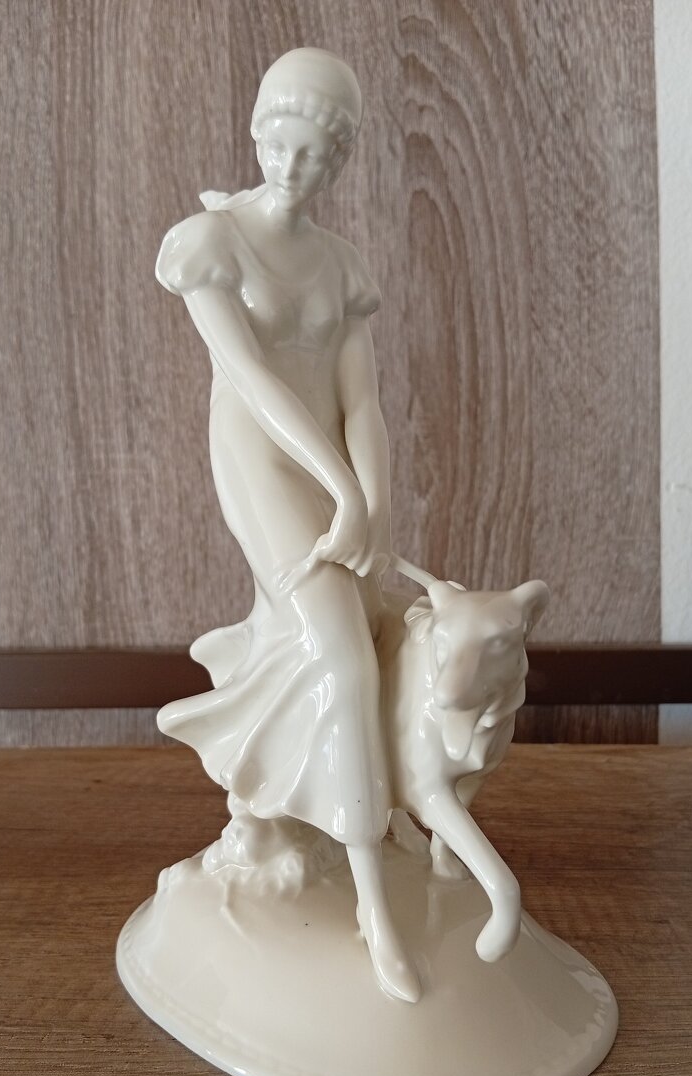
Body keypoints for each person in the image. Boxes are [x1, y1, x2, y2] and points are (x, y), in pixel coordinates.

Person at [155, 49, 420, 1003]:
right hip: (262, 462)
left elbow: (364, 402)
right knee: (340, 655)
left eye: (315, 154)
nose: (292, 166)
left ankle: (330, 810)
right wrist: (341, 489)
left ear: (339, 161)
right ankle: (375, 910)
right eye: (279, 142)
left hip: (333, 472)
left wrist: (374, 501)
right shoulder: (211, 243)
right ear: (257, 131)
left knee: (380, 632)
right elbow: (254, 381)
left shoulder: (341, 266)